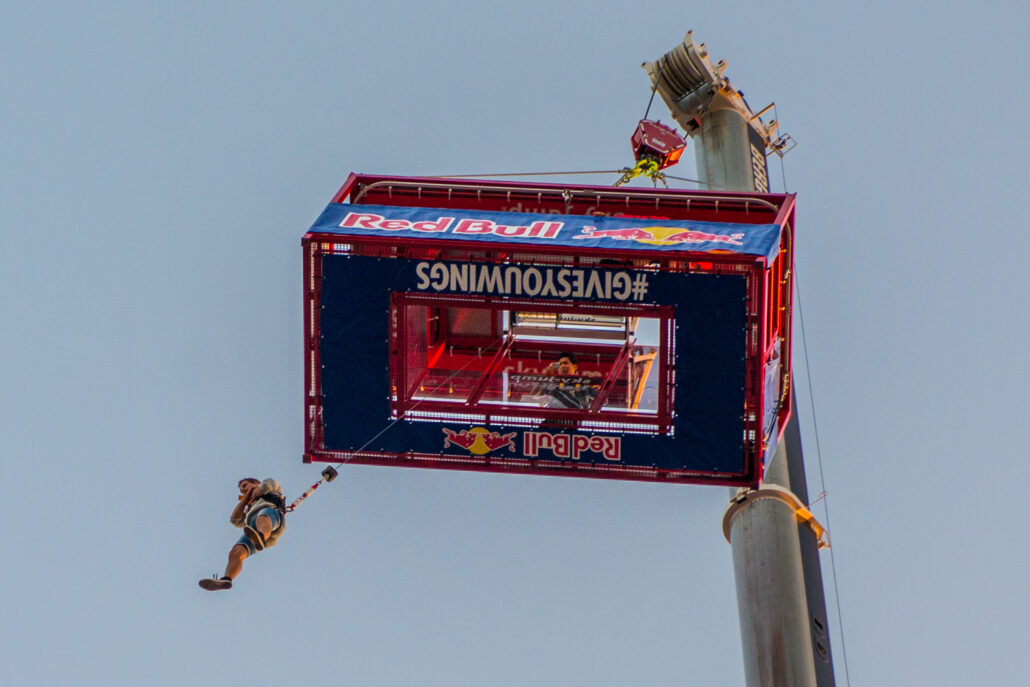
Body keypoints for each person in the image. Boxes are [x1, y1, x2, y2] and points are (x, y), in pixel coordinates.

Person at [199, 477, 286, 591]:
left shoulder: (270, 484)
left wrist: (250, 493)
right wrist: (245, 500)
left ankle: (260, 537)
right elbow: (234, 520)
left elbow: (263, 488)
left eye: (245, 486)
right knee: (236, 551)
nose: (243, 490)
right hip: (253, 529)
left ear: (256, 483)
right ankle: (227, 579)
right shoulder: (250, 506)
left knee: (262, 516)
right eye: (241, 490)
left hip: (271, 515)